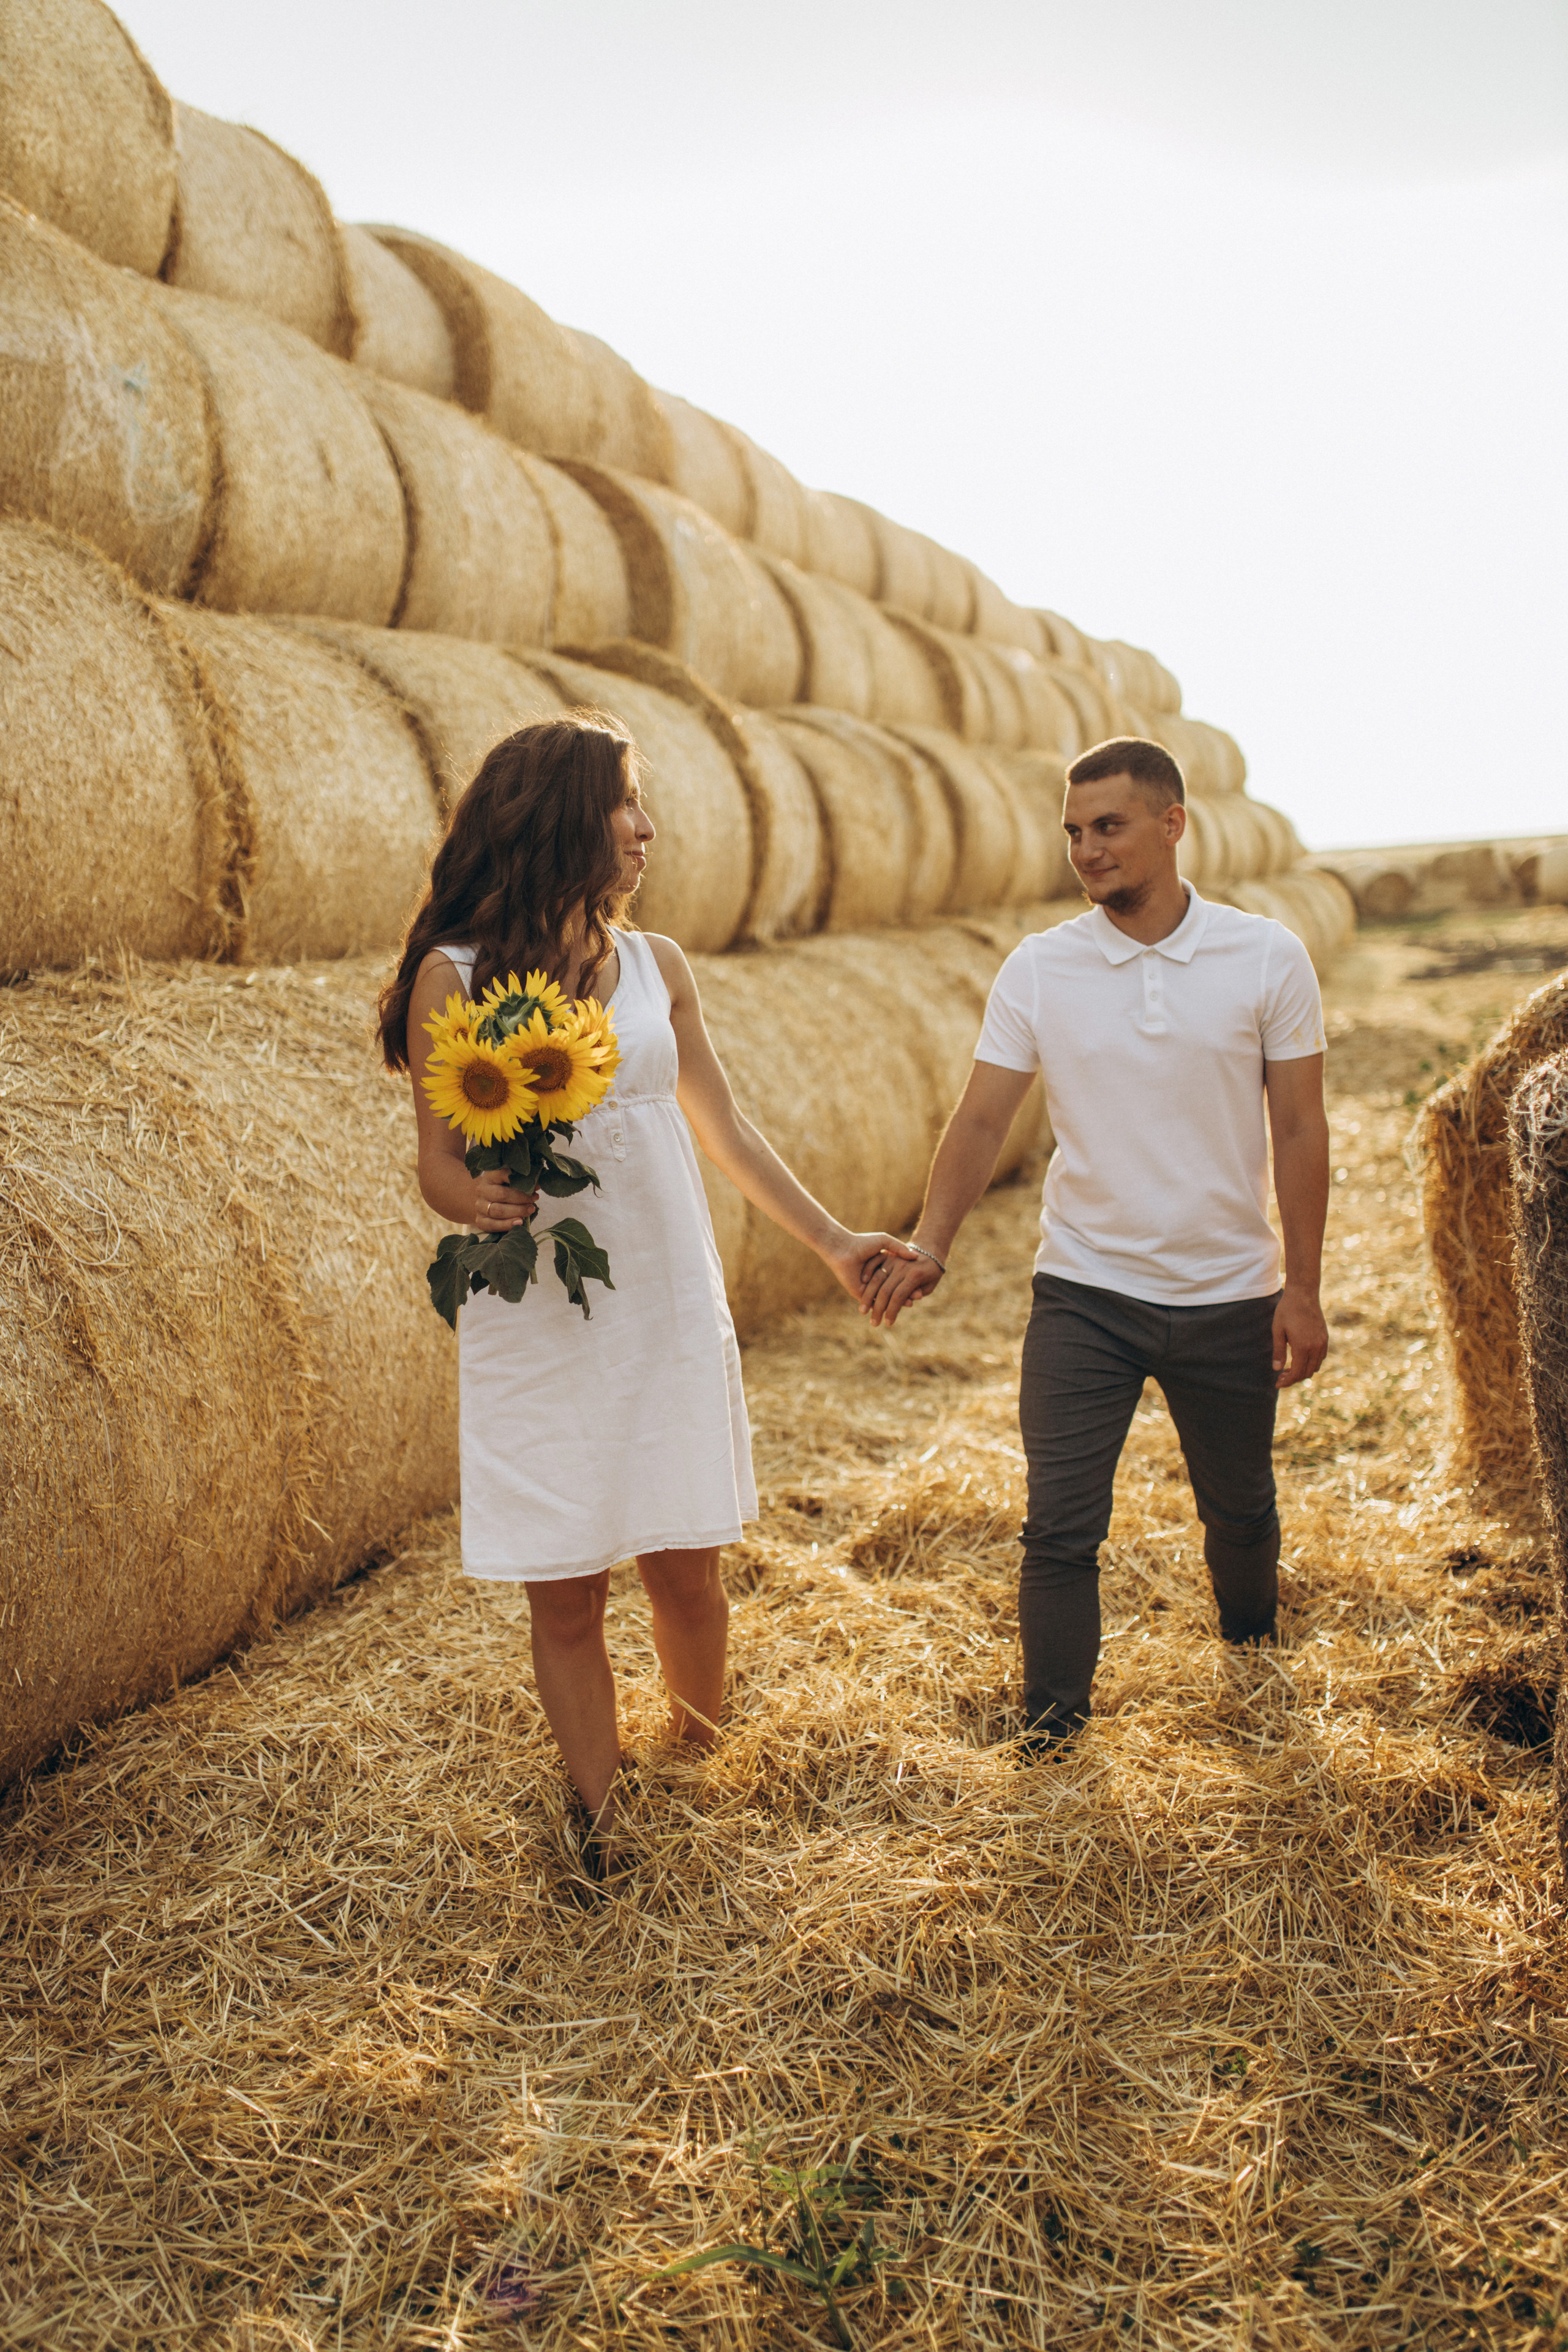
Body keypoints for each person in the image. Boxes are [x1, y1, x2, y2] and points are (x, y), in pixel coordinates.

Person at [378, 714, 918, 1864]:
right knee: (565, 1589)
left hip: (665, 1295)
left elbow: (722, 1126)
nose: (649, 826)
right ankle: (602, 1825)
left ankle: (700, 1760)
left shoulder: (659, 964)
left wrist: (832, 1242)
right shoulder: (457, 976)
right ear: (568, 815)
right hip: (536, 1318)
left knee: (687, 1563)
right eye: (630, 801)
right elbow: (436, 1156)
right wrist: (470, 1200)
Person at [860, 736, 1330, 1752]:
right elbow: (981, 1120)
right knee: (1059, 1529)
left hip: (1231, 1294)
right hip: (1085, 1294)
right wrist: (931, 1243)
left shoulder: (1266, 956)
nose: (1086, 849)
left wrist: (1305, 1286)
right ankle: (1052, 1738)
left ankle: (1255, 1672)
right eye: (1074, 831)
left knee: (1241, 1512)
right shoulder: (1042, 967)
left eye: (1108, 826)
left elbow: (1300, 1129)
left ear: (1173, 824)